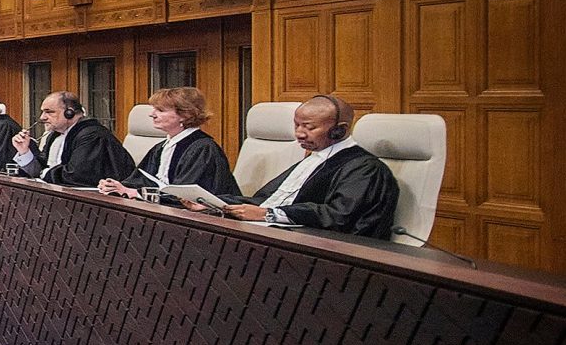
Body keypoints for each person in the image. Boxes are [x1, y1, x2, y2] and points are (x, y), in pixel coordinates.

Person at [225, 96, 400, 238]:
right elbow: (269, 201)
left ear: (339, 130)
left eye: (309, 127)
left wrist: (268, 214)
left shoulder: (365, 168)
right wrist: (219, 204)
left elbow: (339, 217)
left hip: (330, 251)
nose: (299, 133)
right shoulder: (315, 158)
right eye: (297, 125)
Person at [104, 86, 240, 201]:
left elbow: (187, 196)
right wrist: (116, 186)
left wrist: (138, 193)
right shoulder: (162, 147)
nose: (152, 114)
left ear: (185, 115)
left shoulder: (203, 149)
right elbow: (141, 180)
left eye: (160, 110)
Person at [28, 91, 136, 189]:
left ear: (69, 113)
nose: (42, 117)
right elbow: (42, 166)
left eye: (49, 112)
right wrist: (25, 151)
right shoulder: (55, 135)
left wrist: (45, 173)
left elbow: (76, 175)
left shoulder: (92, 135)